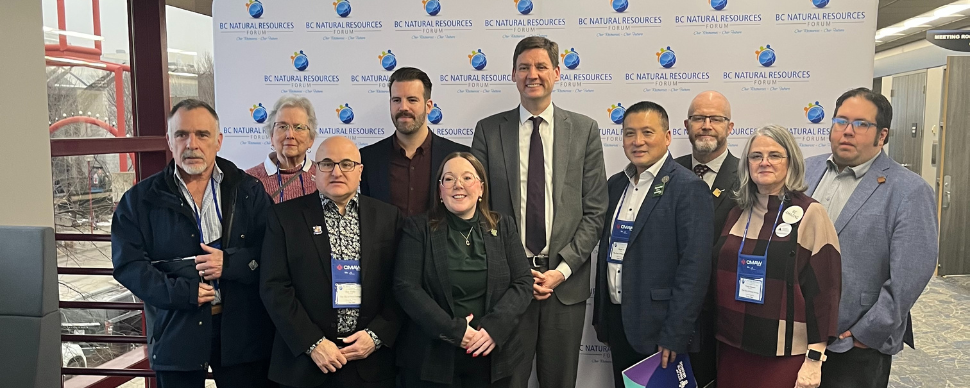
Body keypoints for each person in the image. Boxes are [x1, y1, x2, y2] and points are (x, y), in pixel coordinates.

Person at [471, 36, 608, 388]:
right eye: (524, 67)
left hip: (565, 285)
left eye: (541, 66)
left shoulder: (584, 130)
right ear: (514, 75)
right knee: (506, 381)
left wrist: (561, 270)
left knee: (559, 382)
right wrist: (518, 270)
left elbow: (595, 210)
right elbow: (478, 207)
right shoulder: (488, 130)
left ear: (557, 73)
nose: (533, 74)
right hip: (507, 286)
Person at [112, 99, 275, 388]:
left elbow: (273, 252)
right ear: (169, 141)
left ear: (218, 141)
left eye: (202, 135)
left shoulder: (248, 190)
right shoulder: (139, 200)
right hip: (176, 330)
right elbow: (129, 266)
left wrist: (231, 263)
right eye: (181, 134)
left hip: (241, 332)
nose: (192, 144)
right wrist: (182, 293)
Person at [805, 88, 938, 388]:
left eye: (861, 124)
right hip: (800, 331)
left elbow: (910, 275)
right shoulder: (806, 170)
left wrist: (867, 333)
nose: (847, 131)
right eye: (841, 121)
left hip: (854, 342)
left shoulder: (909, 191)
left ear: (882, 135)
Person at [260, 136, 403, 388]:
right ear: (315, 171)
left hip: (371, 364)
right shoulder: (284, 217)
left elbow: (401, 284)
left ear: (360, 171)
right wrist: (312, 344)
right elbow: (274, 288)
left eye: (346, 164)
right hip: (305, 365)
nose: (337, 172)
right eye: (327, 164)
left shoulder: (388, 217)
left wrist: (377, 336)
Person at [591, 101, 713, 388]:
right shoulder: (615, 185)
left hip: (660, 331)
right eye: (629, 134)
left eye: (647, 132)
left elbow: (694, 268)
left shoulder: (687, 188)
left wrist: (675, 333)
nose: (638, 141)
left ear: (668, 137)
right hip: (618, 322)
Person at [713, 125, 841, 388]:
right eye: (756, 156)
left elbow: (825, 292)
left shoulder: (810, 213)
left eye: (774, 155)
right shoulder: (737, 210)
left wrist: (815, 358)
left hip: (782, 353)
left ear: (790, 162)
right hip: (732, 347)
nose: (764, 162)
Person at [393, 152, 534, 388]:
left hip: (493, 356)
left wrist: (493, 329)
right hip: (434, 357)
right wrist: (455, 331)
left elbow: (523, 283)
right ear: (440, 191)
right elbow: (406, 287)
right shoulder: (418, 228)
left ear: (480, 188)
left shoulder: (503, 225)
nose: (458, 185)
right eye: (448, 179)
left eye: (467, 177)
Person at [674, 90, 741, 386]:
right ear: (686, 125)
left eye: (716, 118)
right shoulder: (667, 172)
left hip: (725, 312)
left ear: (730, 127)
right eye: (699, 118)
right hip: (672, 309)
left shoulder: (749, 176)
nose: (706, 125)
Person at [361, 67, 468, 216]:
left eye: (412, 100)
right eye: (396, 100)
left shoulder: (458, 156)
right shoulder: (367, 158)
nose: (403, 107)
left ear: (429, 106)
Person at [246, 96, 319, 204]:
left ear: (311, 139)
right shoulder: (249, 180)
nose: (290, 135)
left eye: (298, 127)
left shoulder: (324, 175)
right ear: (271, 136)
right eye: (282, 126)